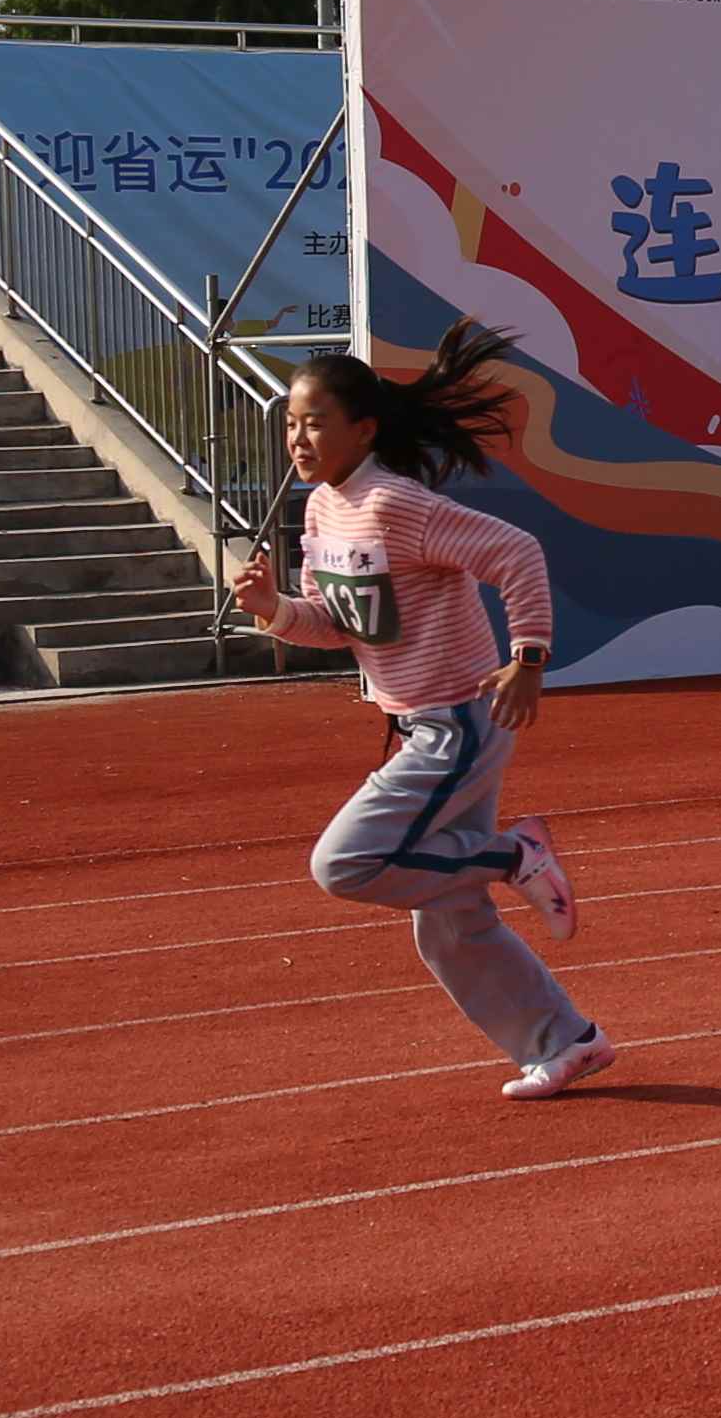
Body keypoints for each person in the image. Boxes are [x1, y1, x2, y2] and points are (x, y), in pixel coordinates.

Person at [229, 321, 611, 1101]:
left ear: (363, 428)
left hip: (458, 722)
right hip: (414, 722)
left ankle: (514, 855)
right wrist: (273, 609)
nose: (299, 438)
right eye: (291, 423)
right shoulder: (323, 512)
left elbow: (517, 553)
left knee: (346, 863)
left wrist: (530, 657)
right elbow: (339, 626)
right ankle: (565, 1041)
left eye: (316, 423)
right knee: (447, 919)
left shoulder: (397, 504)